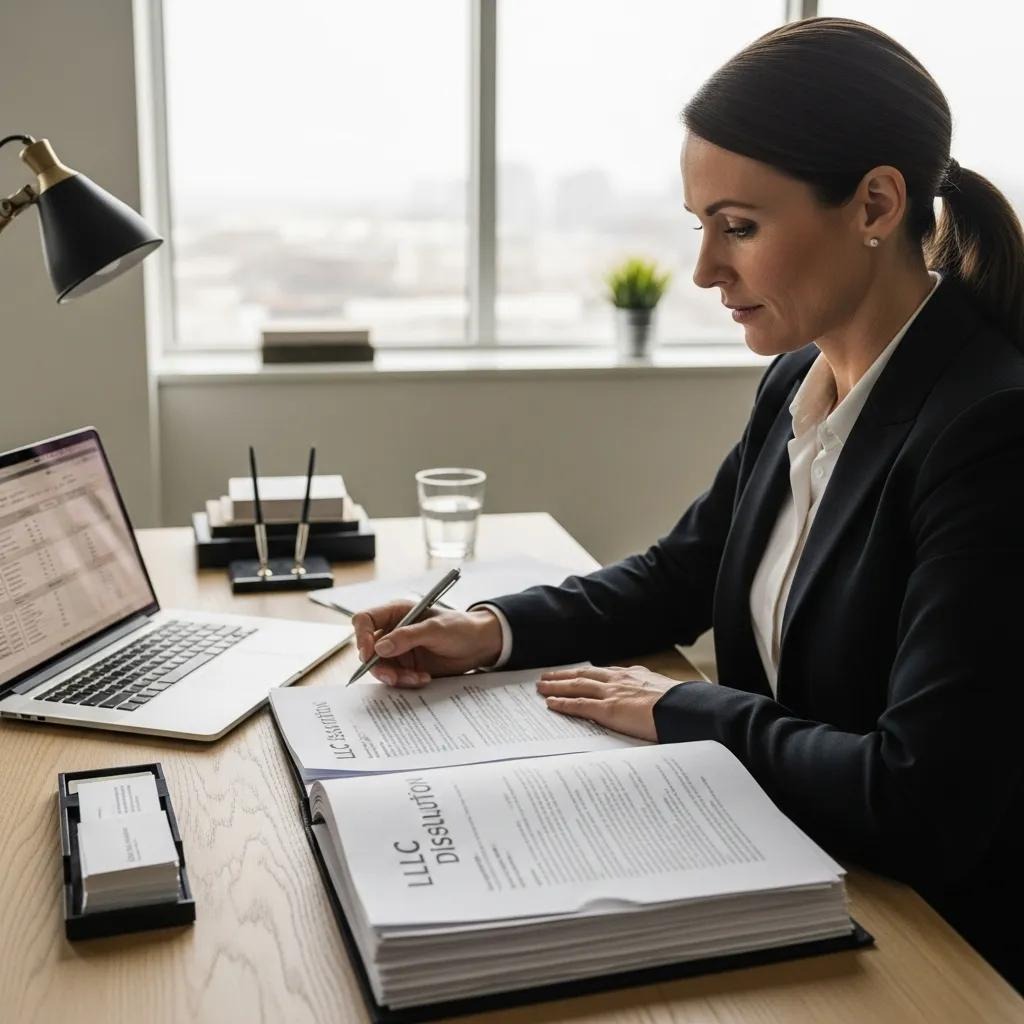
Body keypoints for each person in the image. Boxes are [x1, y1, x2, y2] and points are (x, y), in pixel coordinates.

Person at [353, 17, 1024, 991]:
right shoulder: (798, 376)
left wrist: (685, 710)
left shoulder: (986, 434)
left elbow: (920, 798)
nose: (705, 270)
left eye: (738, 226)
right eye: (699, 225)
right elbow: (688, 569)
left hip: (938, 949)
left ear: (874, 202)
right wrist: (489, 629)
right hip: (792, 856)